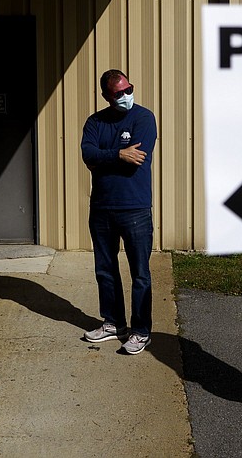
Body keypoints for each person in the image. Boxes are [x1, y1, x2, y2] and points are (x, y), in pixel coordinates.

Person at [80, 69, 157, 355]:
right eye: (118, 93)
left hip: (135, 208)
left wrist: (105, 157)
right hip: (101, 208)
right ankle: (113, 323)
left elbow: (137, 158)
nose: (126, 96)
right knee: (105, 270)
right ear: (106, 96)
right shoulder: (95, 121)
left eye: (129, 89)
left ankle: (141, 331)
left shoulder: (143, 118)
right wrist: (118, 153)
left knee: (140, 273)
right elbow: (88, 154)